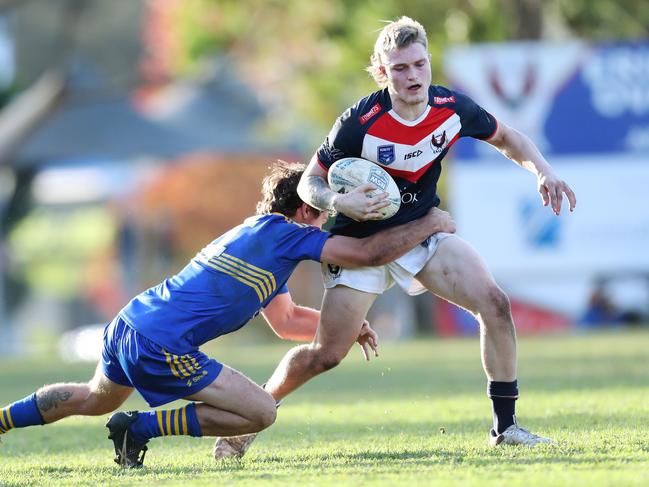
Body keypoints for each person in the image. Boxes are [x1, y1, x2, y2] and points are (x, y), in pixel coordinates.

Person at [214, 16, 577, 458]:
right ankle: (245, 425)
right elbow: (310, 181)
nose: (412, 76)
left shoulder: (451, 108)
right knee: (325, 355)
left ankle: (506, 427)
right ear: (383, 71)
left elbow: (507, 138)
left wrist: (544, 170)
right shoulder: (359, 122)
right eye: (400, 68)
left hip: (422, 235)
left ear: (428, 63)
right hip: (359, 249)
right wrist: (337, 202)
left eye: (419, 64)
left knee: (495, 304)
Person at [0, 161, 455, 468]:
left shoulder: (260, 238)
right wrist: (430, 222)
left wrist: (346, 326)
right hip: (162, 342)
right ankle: (139, 427)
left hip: (131, 324)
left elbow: (287, 320)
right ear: (303, 208)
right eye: (322, 210)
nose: (327, 220)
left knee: (92, 398)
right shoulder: (285, 234)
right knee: (260, 412)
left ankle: (2, 420)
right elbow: (368, 253)